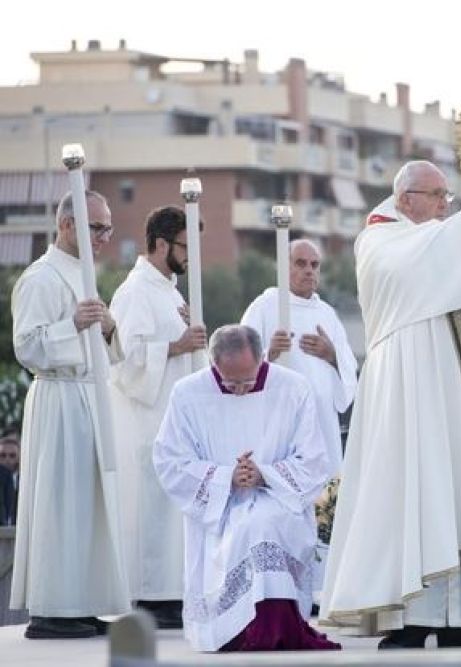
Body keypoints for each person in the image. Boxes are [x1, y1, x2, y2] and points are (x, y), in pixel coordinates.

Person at [320, 160, 461, 649]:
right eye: (438, 195)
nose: (448, 206)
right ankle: (411, 617)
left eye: (450, 197)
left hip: (458, 387)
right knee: (413, 489)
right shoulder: (380, 241)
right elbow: (425, 265)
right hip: (405, 389)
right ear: (406, 198)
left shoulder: (437, 242)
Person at [153, 325, 340, 652]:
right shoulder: (188, 393)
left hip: (276, 496)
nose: (240, 391)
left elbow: (313, 458)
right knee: (245, 527)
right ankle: (235, 631)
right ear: (214, 365)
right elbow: (170, 460)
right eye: (230, 382)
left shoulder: (293, 388)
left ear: (261, 359)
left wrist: (264, 474)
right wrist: (226, 477)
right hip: (218, 506)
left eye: (248, 381)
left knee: (261, 524)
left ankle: (275, 627)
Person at [10, 190, 130, 639]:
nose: (105, 237)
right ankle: (51, 608)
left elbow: (107, 348)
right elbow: (26, 346)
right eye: (96, 227)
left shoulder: (84, 276)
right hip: (58, 399)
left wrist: (109, 328)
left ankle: (79, 601)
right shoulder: (40, 278)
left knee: (88, 505)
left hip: (88, 399)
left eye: (108, 228)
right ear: (66, 225)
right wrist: (74, 325)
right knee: (60, 503)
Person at [109, 206, 207, 629]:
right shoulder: (135, 291)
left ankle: (172, 592)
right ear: (161, 243)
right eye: (187, 247)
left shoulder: (169, 290)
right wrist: (179, 345)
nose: (192, 258)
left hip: (174, 421)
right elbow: (126, 362)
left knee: (172, 514)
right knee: (151, 511)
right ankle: (152, 595)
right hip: (147, 423)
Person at [240, 238, 357, 477]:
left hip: (322, 421)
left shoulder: (327, 314)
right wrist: (269, 353)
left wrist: (332, 355)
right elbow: (238, 362)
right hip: (278, 420)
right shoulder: (264, 307)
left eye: (315, 265)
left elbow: (348, 368)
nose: (309, 271)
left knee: (324, 501)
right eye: (301, 263)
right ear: (284, 267)